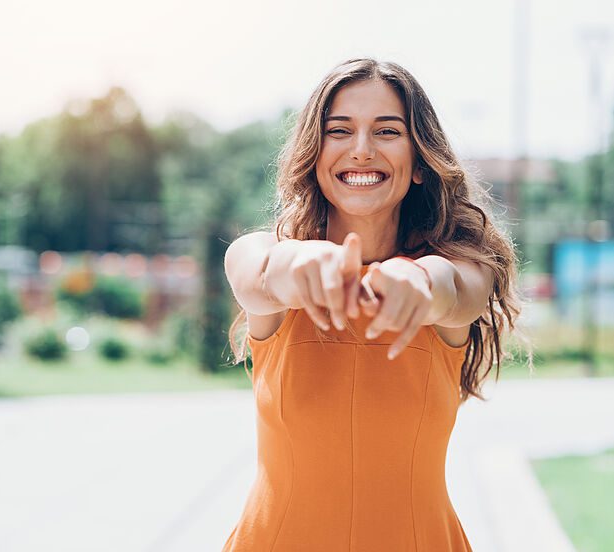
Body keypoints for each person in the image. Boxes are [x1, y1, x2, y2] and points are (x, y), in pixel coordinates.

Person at [221, 58, 527, 552]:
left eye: (387, 131)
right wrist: (302, 263)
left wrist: (417, 281)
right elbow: (256, 276)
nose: (361, 150)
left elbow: (451, 290)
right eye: (339, 131)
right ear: (315, 155)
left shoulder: (466, 268)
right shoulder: (264, 252)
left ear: (422, 163)